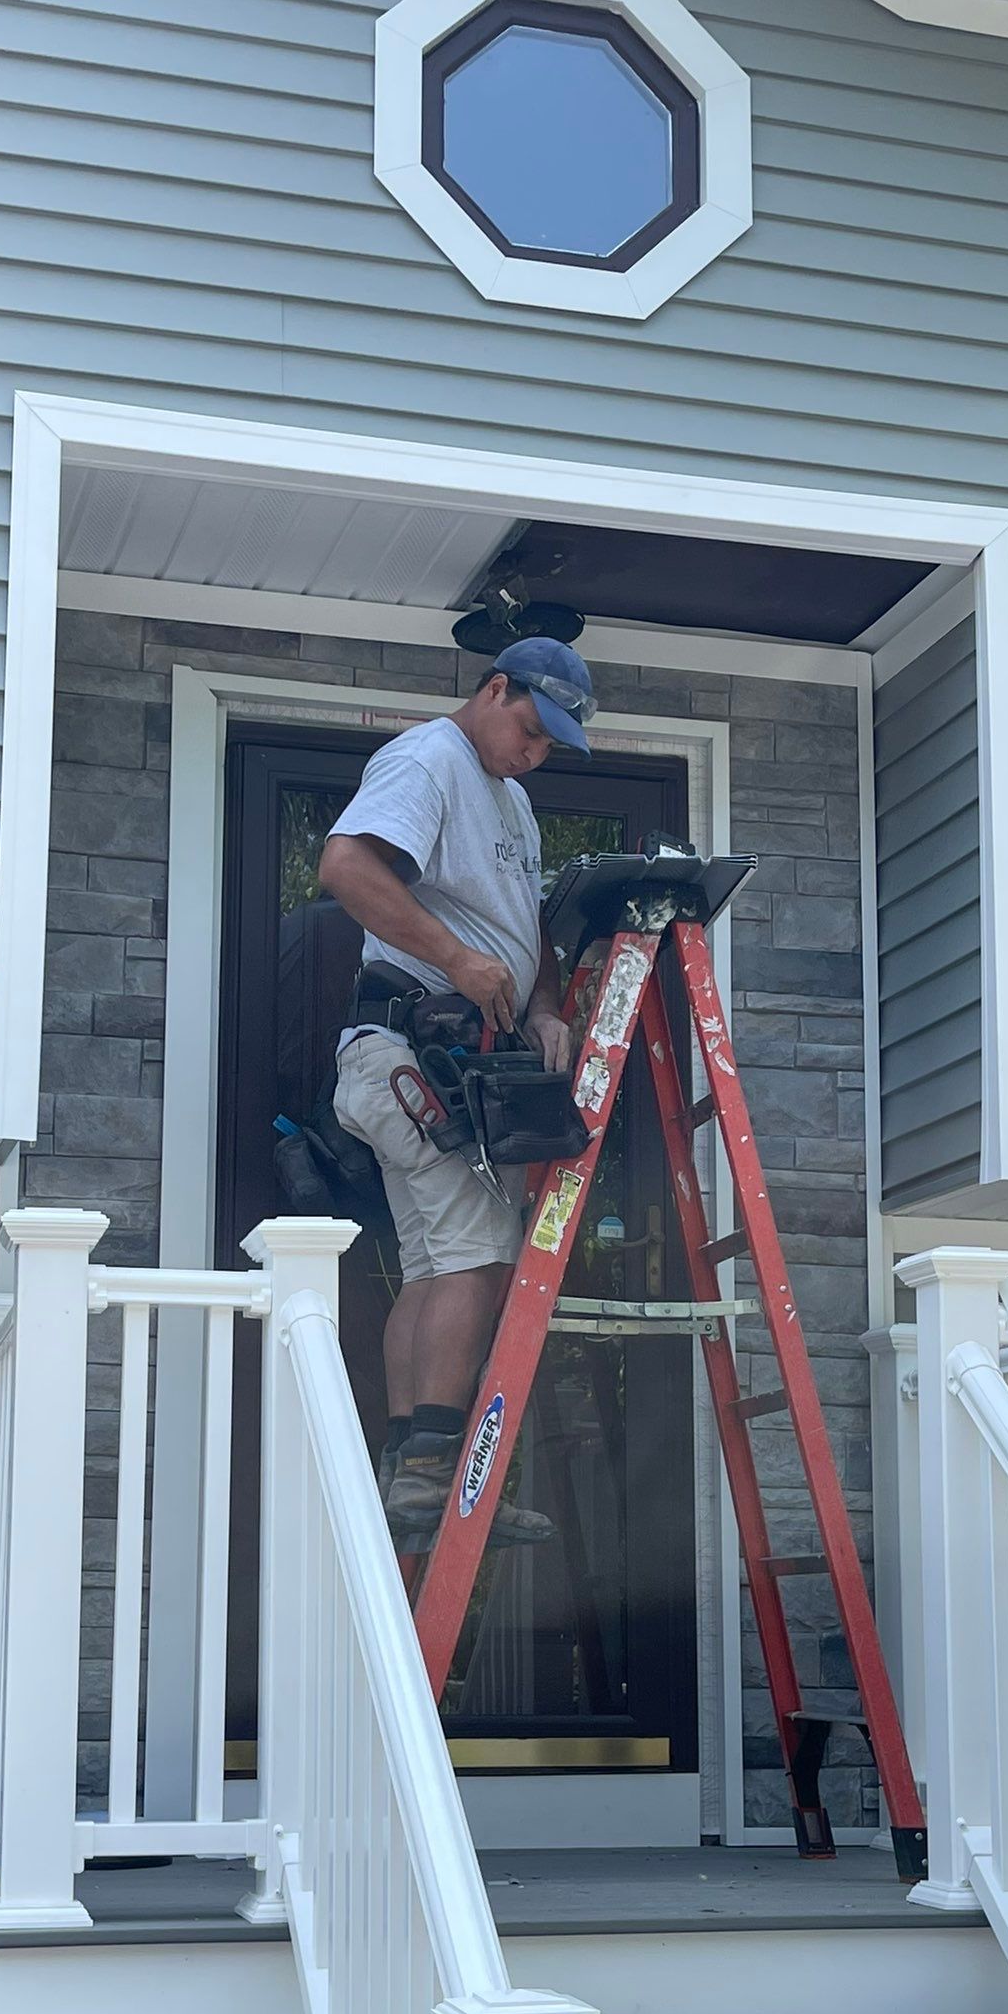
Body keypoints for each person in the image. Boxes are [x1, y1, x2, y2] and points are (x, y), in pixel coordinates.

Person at [319, 636, 596, 1545]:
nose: (534, 752)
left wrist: (547, 1007)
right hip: (411, 1049)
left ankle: (413, 1470)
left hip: (443, 1056)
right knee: (476, 1258)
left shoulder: (512, 802)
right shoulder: (427, 758)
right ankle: (435, 1477)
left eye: (551, 744)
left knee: (441, 1263)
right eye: (529, 728)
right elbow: (348, 869)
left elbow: (524, 934)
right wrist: (458, 960)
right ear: (493, 688)